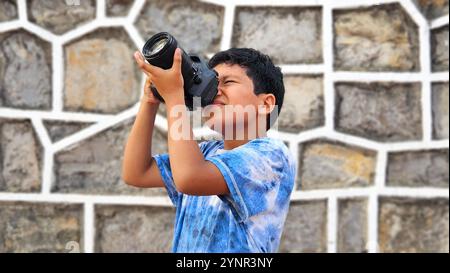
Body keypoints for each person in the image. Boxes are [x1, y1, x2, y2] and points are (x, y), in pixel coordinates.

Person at [122, 47, 296, 253]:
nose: (214, 91)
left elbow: (189, 177)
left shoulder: (272, 156)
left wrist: (173, 95)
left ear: (266, 104)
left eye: (228, 82)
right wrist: (150, 100)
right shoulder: (206, 154)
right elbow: (137, 173)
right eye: (211, 82)